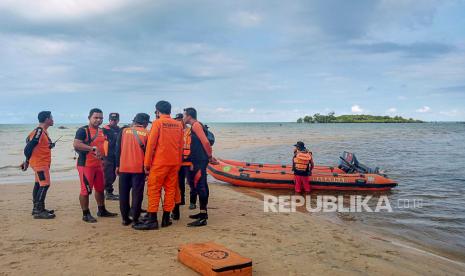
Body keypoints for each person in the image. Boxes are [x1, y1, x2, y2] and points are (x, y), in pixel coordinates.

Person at [133, 101, 183, 230]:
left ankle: (152, 220)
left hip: (160, 163)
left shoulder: (157, 123)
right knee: (170, 190)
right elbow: (180, 146)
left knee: (154, 190)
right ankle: (166, 219)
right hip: (174, 163)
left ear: (157, 111)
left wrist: (146, 163)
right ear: (169, 110)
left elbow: (151, 144)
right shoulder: (178, 124)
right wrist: (178, 163)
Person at [73, 108, 118, 223]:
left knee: (100, 188)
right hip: (86, 165)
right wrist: (91, 148)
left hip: (99, 165)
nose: (98, 120)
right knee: (85, 190)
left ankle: (101, 210)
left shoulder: (102, 131)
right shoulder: (83, 130)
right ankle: (86, 214)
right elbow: (77, 144)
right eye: (96, 117)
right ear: (89, 118)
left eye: (101, 118)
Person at [183, 107, 218, 227]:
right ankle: (203, 213)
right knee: (201, 185)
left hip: (200, 161)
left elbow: (206, 142)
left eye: (184, 115)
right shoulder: (196, 126)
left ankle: (203, 218)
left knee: (200, 186)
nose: (183, 118)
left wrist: (209, 157)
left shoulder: (196, 125)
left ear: (189, 116)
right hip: (198, 160)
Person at [115, 113, 150, 227]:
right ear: (145, 123)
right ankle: (135, 218)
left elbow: (117, 149)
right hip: (138, 169)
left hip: (124, 168)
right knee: (137, 194)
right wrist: (148, 169)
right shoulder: (147, 133)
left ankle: (125, 219)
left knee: (123, 194)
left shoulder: (124, 131)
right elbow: (148, 153)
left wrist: (117, 166)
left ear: (135, 121)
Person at [20, 111, 56, 219]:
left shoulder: (43, 131)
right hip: (40, 163)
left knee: (38, 184)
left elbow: (29, 140)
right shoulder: (39, 130)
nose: (53, 119)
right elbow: (28, 146)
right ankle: (38, 211)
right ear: (46, 119)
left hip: (39, 163)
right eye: (51, 118)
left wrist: (49, 146)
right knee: (45, 184)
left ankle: (37, 208)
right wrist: (26, 160)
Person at [171, 113, 194, 220]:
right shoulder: (174, 131)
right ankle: (181, 200)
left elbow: (194, 145)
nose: (179, 121)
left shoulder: (190, 130)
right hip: (178, 162)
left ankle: (193, 202)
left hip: (189, 161)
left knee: (191, 182)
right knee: (179, 184)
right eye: (177, 119)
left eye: (180, 119)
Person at [102, 112, 121, 200]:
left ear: (118, 120)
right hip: (107, 156)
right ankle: (108, 193)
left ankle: (109, 192)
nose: (113, 121)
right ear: (109, 120)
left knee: (114, 175)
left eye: (115, 119)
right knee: (108, 175)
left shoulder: (119, 130)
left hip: (116, 156)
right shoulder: (104, 129)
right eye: (112, 119)